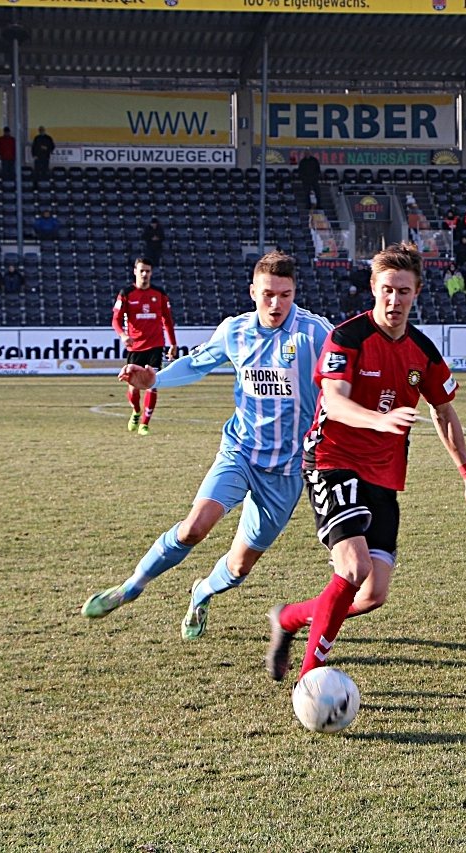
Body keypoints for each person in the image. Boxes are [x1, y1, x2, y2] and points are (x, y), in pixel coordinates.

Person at [264, 242, 466, 683]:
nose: (394, 299)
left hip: (383, 473)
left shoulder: (423, 351)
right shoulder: (348, 337)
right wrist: (379, 419)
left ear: (417, 292)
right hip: (333, 458)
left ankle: (289, 618)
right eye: (387, 289)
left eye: (403, 291)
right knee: (353, 568)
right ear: (373, 288)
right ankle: (311, 678)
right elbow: (334, 401)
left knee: (371, 594)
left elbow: (444, 413)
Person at [83, 252, 332, 640]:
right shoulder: (235, 331)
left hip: (285, 471)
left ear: (294, 292)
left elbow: (348, 363)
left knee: (240, 566)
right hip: (240, 452)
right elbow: (197, 363)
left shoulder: (314, 333)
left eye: (285, 295)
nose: (276, 303)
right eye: (268, 294)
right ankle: (131, 586)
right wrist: (154, 380)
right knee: (193, 529)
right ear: (253, 292)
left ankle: (202, 592)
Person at [112, 257, 177, 435]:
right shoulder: (126, 293)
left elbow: (168, 321)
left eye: (147, 271)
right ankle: (136, 410)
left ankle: (145, 423)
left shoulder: (160, 294)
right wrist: (123, 335)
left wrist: (173, 343)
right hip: (135, 347)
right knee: (133, 388)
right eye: (141, 270)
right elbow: (115, 320)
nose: (144, 274)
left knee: (152, 384)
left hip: (156, 345)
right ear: (135, 271)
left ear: (151, 273)